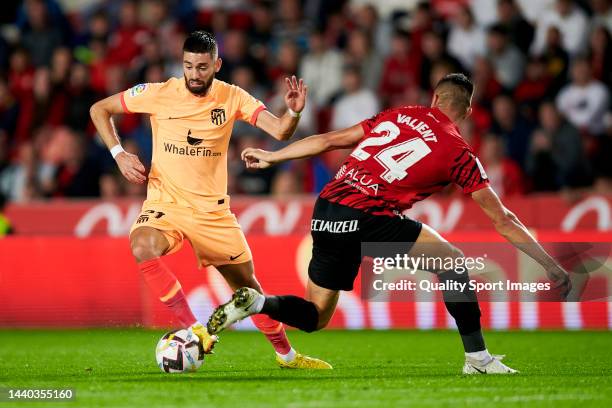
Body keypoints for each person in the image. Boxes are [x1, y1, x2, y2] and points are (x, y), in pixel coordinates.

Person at [207, 73, 572, 374]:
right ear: (468, 110)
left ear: (434, 99)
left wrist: (274, 157)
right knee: (453, 264)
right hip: (369, 215)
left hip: (328, 207)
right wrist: (551, 265)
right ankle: (477, 359)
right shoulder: (458, 150)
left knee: (316, 316)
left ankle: (259, 303)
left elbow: (330, 140)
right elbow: (503, 219)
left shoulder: (398, 115)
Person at [89, 30, 330, 369]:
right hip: (165, 204)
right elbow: (100, 109)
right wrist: (119, 154)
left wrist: (292, 114)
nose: (194, 74)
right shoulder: (159, 93)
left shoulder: (232, 97)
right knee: (142, 245)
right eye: (188, 66)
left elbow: (279, 132)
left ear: (216, 64)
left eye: (202, 67)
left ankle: (287, 356)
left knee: (248, 291)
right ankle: (194, 329)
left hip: (212, 213)